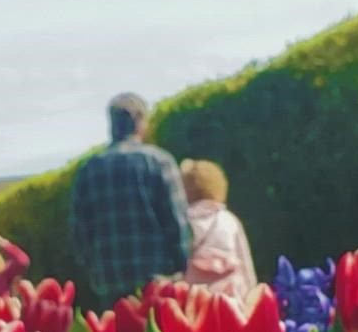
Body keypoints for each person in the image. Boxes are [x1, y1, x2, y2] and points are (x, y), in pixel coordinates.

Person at [68, 92, 192, 305]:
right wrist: (182, 266)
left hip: (109, 280)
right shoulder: (159, 161)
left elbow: (80, 232)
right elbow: (177, 222)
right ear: (140, 122)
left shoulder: (88, 170)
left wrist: (94, 268)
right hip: (157, 277)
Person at [179, 159, 258, 295]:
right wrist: (252, 292)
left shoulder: (183, 221)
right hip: (231, 296)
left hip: (194, 297)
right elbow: (245, 261)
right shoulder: (229, 220)